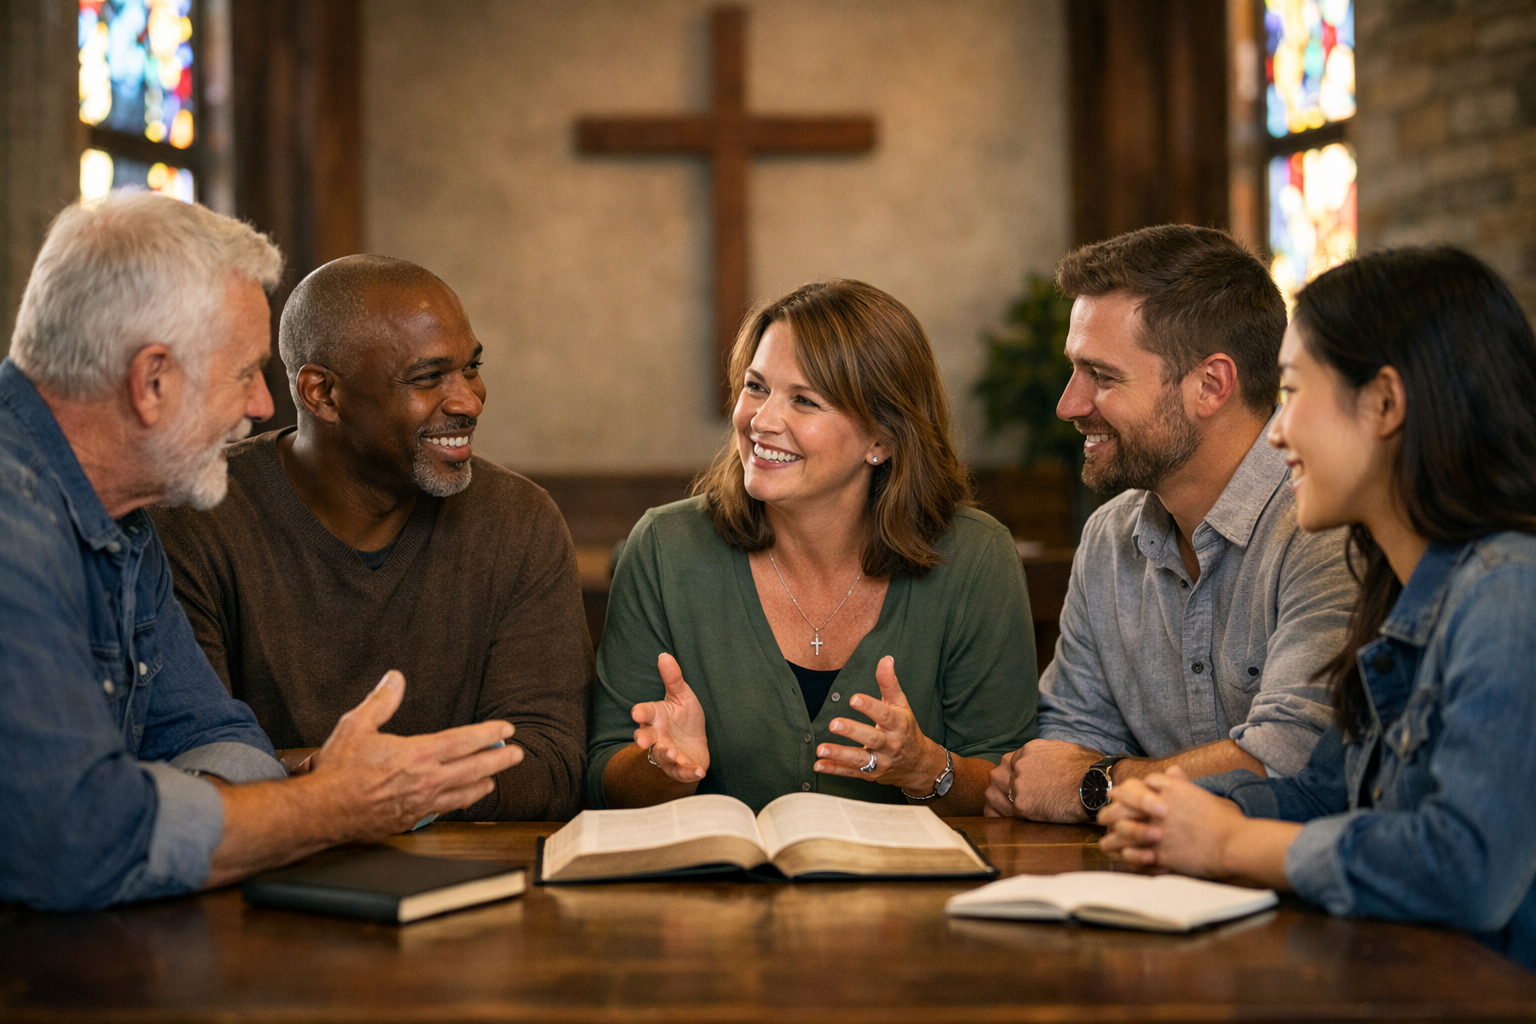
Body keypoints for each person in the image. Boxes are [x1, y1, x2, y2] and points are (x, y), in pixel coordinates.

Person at [0, 191, 522, 910]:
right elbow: (75, 841)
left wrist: (171, 814)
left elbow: (215, 734)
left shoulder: (125, 511)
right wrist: (331, 805)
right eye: (246, 372)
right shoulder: (12, 528)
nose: (261, 409)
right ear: (152, 382)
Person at [1098, 248, 1536, 971]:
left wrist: (1232, 843)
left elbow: (1469, 870)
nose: (1275, 432)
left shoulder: (1507, 590)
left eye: (1294, 393)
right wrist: (1179, 811)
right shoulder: (1396, 585)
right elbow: (1325, 792)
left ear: (1386, 404)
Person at [149, 255, 589, 821]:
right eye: (429, 378)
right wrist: (372, 786)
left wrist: (359, 784)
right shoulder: (196, 515)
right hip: (262, 874)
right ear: (322, 394)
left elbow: (550, 767)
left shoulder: (519, 520)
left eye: (471, 368)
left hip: (472, 879)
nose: (469, 401)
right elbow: (190, 763)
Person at [588, 280, 1037, 813]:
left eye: (804, 400)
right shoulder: (664, 548)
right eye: (756, 387)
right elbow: (603, 777)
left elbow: (1008, 782)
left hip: (910, 892)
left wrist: (925, 768)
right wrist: (664, 767)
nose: (761, 421)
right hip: (714, 891)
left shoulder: (976, 557)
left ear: (882, 439)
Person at [986, 225, 1357, 824]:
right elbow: (1059, 746)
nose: (1068, 405)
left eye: (1101, 376)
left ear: (1210, 385)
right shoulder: (1109, 537)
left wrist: (1100, 782)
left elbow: (1295, 762)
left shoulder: (1326, 524)